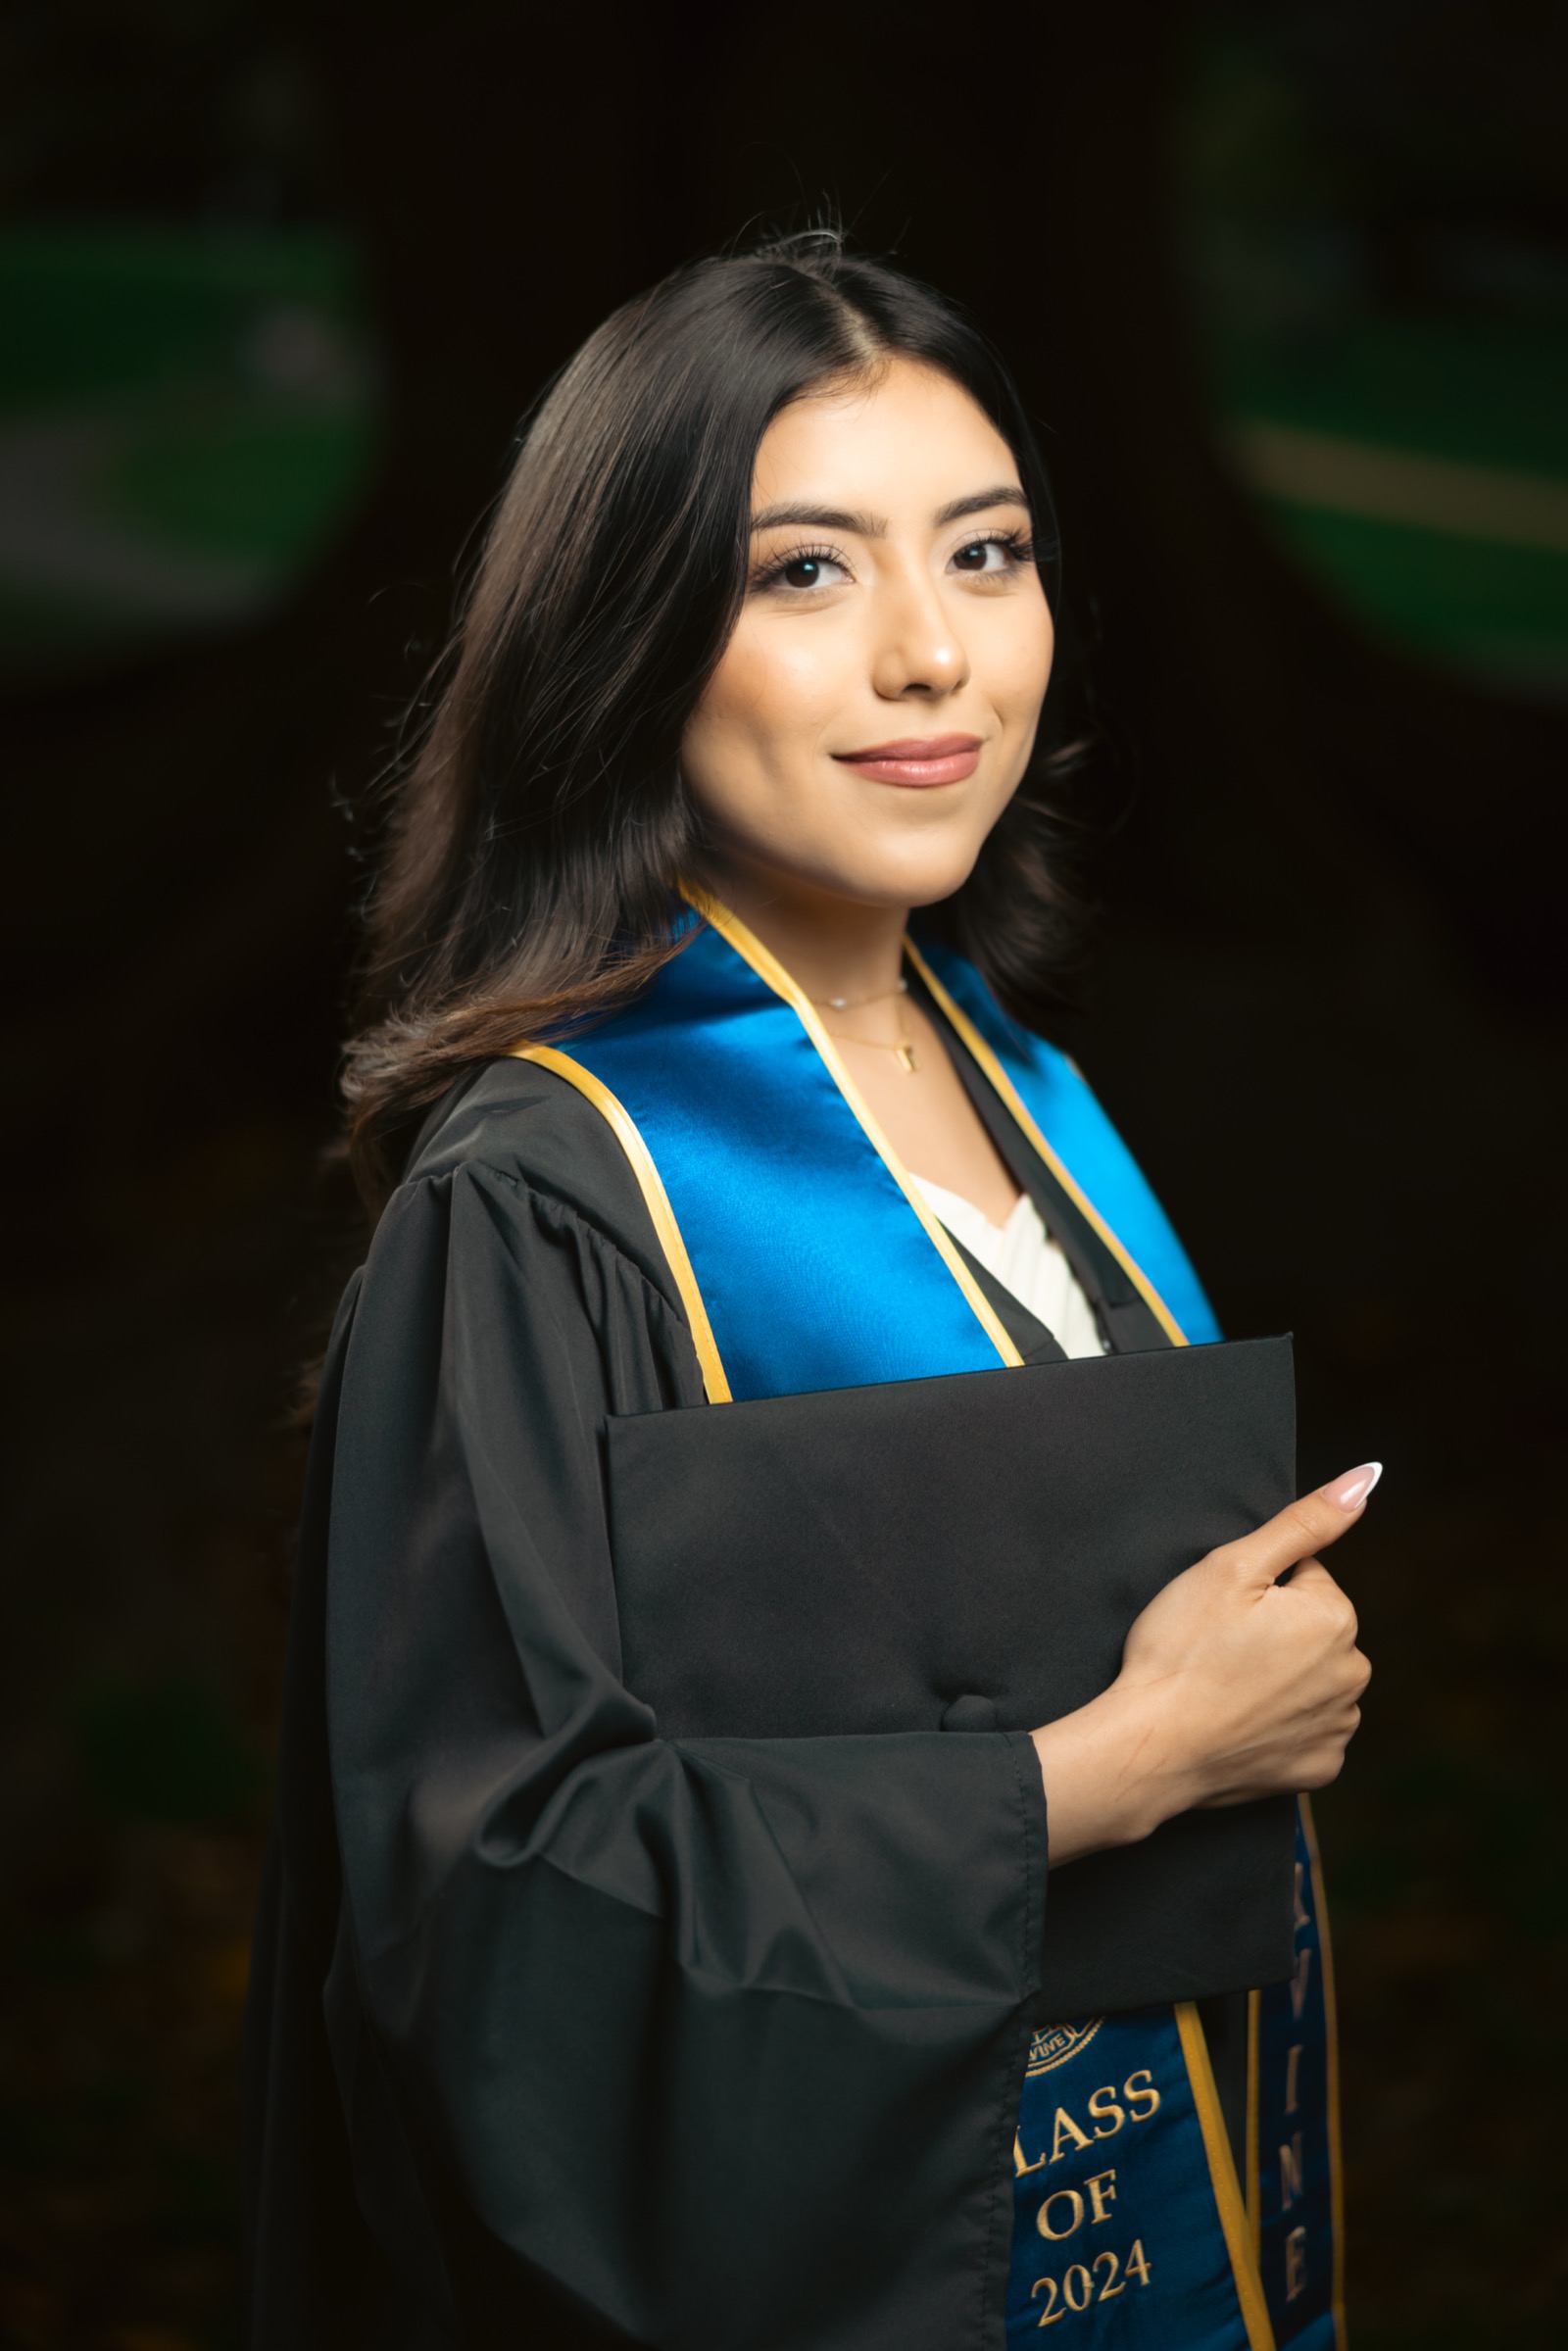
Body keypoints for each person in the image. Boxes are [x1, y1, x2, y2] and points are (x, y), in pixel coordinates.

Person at [242, 230, 1373, 2350]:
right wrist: (1091, 1778)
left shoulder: (1030, 1095)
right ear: (628, 635)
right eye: (803, 574)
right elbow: (496, 1905)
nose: (933, 656)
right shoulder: (549, 1204)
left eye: (986, 552)